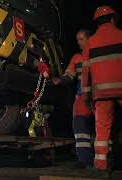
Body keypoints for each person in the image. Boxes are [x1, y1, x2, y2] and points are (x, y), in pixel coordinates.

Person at [81, 6, 122, 172]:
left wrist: (86, 96)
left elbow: (85, 73)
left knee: (102, 131)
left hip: (101, 94)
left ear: (97, 23)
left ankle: (101, 165)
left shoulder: (90, 43)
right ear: (113, 18)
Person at [52, 29, 93, 168]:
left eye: (81, 39)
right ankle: (84, 159)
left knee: (102, 126)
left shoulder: (96, 53)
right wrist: (61, 80)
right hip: (83, 96)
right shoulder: (77, 57)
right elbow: (69, 75)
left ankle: (107, 156)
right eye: (77, 40)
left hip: (98, 95)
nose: (79, 42)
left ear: (89, 39)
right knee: (79, 124)